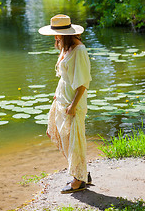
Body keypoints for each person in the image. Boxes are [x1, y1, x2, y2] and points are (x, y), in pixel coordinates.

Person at [39, 14, 92, 193]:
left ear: (67, 34)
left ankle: (78, 180)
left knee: (74, 139)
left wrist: (73, 105)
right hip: (61, 98)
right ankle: (82, 171)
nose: (55, 37)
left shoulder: (80, 51)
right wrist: (56, 97)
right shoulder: (66, 48)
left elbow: (83, 82)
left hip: (73, 101)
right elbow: (65, 77)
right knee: (57, 133)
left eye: (58, 34)